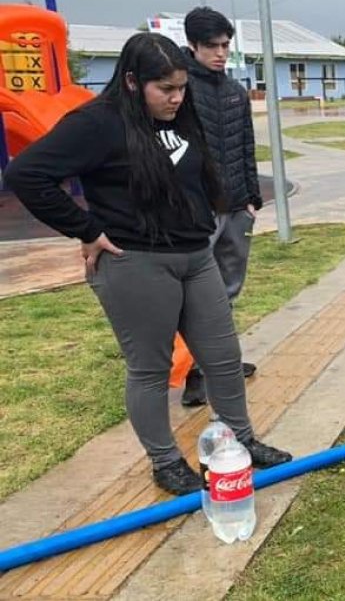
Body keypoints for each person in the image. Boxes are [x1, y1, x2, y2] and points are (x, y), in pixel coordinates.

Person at [4, 32, 292, 495]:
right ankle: (164, 461)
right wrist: (86, 229)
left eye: (181, 88)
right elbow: (27, 174)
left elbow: (197, 173)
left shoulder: (180, 111)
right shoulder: (99, 123)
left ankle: (240, 440)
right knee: (150, 369)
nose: (177, 98)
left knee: (223, 358)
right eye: (167, 89)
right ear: (135, 83)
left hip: (196, 256)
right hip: (135, 262)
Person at [178, 6, 263, 407]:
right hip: (198, 212)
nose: (219, 53)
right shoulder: (179, 91)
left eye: (225, 45)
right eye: (210, 46)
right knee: (197, 295)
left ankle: (222, 362)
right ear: (192, 45)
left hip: (236, 207)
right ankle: (194, 373)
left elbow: (246, 145)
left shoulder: (234, 91)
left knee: (228, 289)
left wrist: (251, 199)